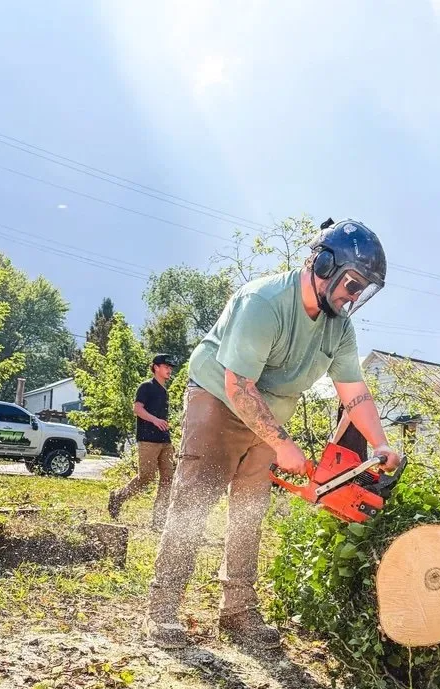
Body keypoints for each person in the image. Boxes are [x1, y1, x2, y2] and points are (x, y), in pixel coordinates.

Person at [145, 219, 401, 648]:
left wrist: (380, 443)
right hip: (219, 400)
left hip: (270, 416)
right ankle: (164, 606)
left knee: (250, 511)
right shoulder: (263, 302)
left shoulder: (339, 327)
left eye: (361, 290)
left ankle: (238, 611)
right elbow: (238, 386)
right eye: (352, 284)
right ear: (324, 265)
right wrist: (282, 444)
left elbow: (355, 393)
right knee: (194, 501)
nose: (352, 297)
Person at [108, 354, 176, 528]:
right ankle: (118, 497)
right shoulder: (146, 387)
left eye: (170, 367)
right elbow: (137, 409)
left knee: (168, 479)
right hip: (148, 440)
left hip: (165, 441)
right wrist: (155, 420)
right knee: (146, 477)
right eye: (165, 366)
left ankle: (159, 520)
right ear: (155, 367)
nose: (169, 370)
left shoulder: (164, 391)